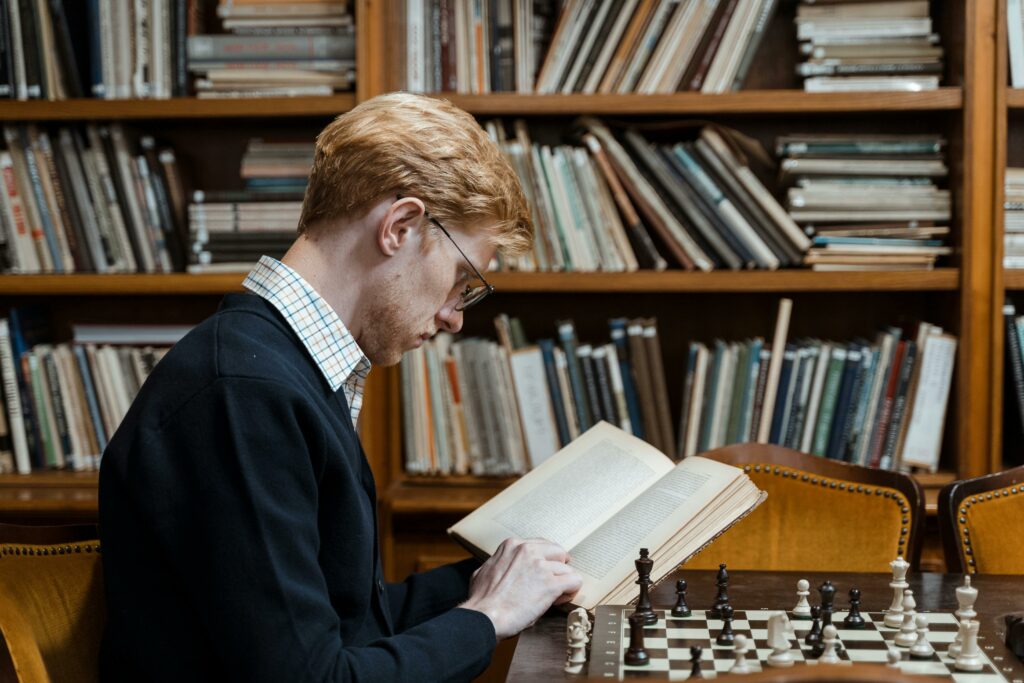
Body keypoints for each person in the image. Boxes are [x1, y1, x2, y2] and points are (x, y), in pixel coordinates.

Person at [99, 93, 583, 682]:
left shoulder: (283, 369)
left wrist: (498, 582)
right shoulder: (243, 393)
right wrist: (488, 616)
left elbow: (347, 624)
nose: (457, 316)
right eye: (463, 279)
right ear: (400, 226)